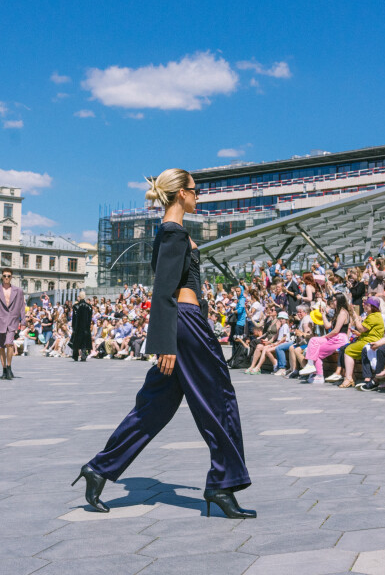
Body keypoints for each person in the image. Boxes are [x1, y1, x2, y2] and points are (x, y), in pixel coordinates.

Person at [78, 168, 253, 518]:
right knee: (219, 399)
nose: (198, 195)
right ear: (181, 194)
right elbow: (163, 293)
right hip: (185, 326)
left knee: (154, 407)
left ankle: (98, 469)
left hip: (182, 325)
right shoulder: (173, 233)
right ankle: (222, 484)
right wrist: (166, 345)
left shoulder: (171, 232)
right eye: (195, 190)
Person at [0, 268, 25, 380]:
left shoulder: (18, 291)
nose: (6, 278)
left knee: (9, 343)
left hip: (12, 320)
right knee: (2, 347)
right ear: (2, 277)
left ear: (12, 277)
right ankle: (4, 369)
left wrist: (23, 321)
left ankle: (9, 367)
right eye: (4, 275)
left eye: (8, 276)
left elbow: (22, 306)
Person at [70, 292, 93, 361]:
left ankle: (75, 355)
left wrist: (73, 327)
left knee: (76, 342)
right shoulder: (89, 306)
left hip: (78, 327)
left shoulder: (76, 306)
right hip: (86, 327)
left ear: (79, 297)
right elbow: (90, 318)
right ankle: (83, 354)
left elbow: (74, 318)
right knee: (84, 342)